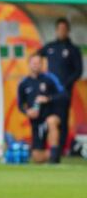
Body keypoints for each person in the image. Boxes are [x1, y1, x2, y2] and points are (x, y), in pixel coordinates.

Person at [37, 18, 83, 154]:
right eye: (59, 29)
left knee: (61, 119)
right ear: (56, 30)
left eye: (64, 29)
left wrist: (65, 84)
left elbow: (78, 71)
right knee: (45, 118)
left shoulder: (73, 50)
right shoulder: (50, 47)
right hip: (48, 92)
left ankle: (59, 150)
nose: (61, 32)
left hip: (63, 92)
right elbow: (36, 58)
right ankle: (42, 148)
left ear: (68, 31)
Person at [18, 54, 66, 163]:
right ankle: (54, 154)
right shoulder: (24, 83)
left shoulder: (50, 78)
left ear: (42, 64)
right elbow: (20, 104)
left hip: (51, 115)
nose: (36, 65)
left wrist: (48, 98)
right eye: (33, 63)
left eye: (38, 63)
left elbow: (64, 95)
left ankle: (54, 157)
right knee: (37, 158)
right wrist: (27, 111)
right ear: (29, 65)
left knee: (51, 121)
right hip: (36, 121)